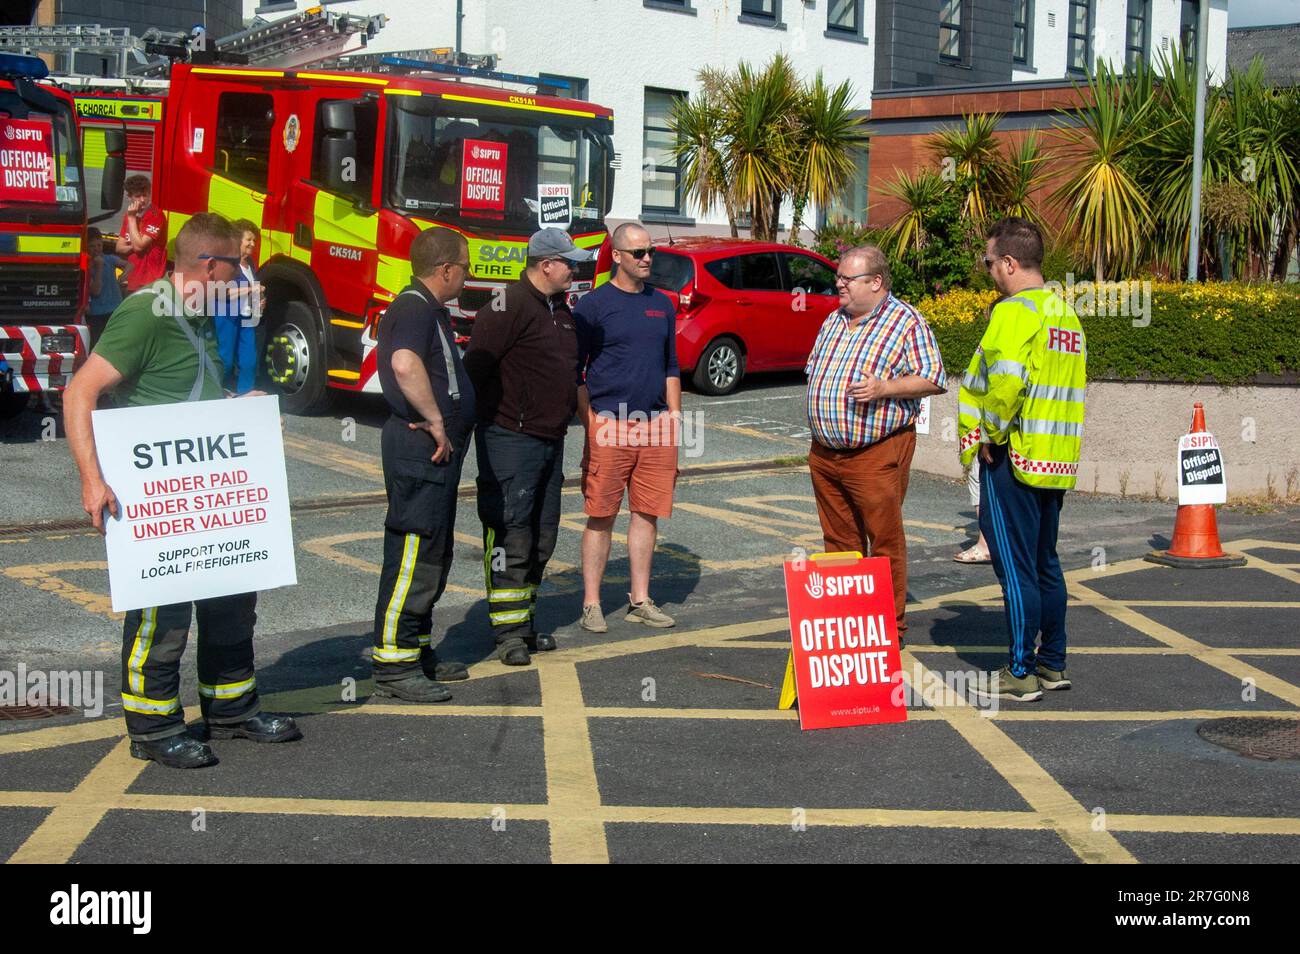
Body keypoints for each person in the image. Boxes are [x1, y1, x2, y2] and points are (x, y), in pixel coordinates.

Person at [63, 213, 301, 769]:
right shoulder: (146, 313)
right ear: (209, 266)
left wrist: (241, 412)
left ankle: (232, 710)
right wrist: (92, 479)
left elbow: (198, 396)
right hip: (152, 496)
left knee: (233, 598)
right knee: (160, 613)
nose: (240, 284)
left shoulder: (199, 319)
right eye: (235, 271)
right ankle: (153, 728)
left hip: (208, 494)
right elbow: (81, 392)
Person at [960, 217, 1087, 702]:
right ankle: (1053, 664)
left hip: (1012, 456)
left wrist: (989, 433)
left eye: (989, 261)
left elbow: (1007, 381)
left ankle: (1019, 672)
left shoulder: (1013, 313)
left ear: (1010, 262)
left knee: (1015, 570)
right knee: (1045, 564)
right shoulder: (1065, 314)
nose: (988, 269)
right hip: (1054, 461)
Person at [464, 229, 594, 666]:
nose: (574, 269)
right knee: (510, 532)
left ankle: (526, 622)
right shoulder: (507, 307)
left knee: (542, 535)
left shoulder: (561, 310)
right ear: (545, 265)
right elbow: (475, 370)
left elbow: (572, 374)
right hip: (509, 440)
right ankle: (508, 635)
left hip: (549, 439)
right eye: (568, 263)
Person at [804, 245, 946, 645]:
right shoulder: (835, 320)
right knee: (839, 542)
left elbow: (933, 377)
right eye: (839, 277)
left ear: (876, 282)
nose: (839, 284)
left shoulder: (905, 321)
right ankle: (850, 624)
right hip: (825, 452)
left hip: (876, 451)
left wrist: (886, 388)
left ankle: (887, 627)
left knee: (883, 541)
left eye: (847, 279)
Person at [370, 228, 477, 702]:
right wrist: (435, 420)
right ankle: (394, 664)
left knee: (433, 550)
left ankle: (414, 648)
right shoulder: (414, 307)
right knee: (414, 551)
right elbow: (404, 365)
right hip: (419, 449)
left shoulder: (427, 309)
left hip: (433, 452)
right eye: (465, 265)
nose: (467, 274)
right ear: (446, 269)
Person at [574, 222, 680, 632]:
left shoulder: (663, 304)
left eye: (650, 251)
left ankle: (640, 599)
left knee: (647, 513)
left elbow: (671, 365)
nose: (647, 258)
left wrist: (673, 417)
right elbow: (575, 372)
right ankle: (591, 603)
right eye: (638, 253)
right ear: (616, 256)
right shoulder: (594, 305)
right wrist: (591, 421)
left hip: (655, 425)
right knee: (601, 515)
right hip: (610, 423)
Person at [955, 299, 1000, 565]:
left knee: (979, 480)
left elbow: (996, 390)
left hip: (992, 431)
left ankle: (985, 544)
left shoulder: (997, 342)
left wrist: (987, 435)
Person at [213, 218, 262, 395]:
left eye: (254, 240)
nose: (252, 244)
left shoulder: (251, 265)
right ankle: (214, 393)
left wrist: (258, 301)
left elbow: (252, 292)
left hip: (247, 318)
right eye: (248, 239)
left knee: (249, 360)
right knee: (224, 360)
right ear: (237, 240)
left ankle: (245, 395)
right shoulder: (228, 264)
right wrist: (250, 289)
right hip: (227, 315)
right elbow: (221, 293)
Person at [114, 175, 168, 292]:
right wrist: (136, 244)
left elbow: (139, 248)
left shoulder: (156, 215)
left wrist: (132, 219)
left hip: (151, 282)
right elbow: (119, 248)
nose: (143, 200)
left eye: (146, 195)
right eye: (138, 196)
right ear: (129, 196)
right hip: (132, 280)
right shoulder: (128, 216)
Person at [85, 227, 124, 347]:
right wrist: (99, 267)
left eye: (99, 245)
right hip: (96, 313)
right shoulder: (86, 266)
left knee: (116, 342)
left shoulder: (109, 259)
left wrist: (122, 277)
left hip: (114, 309)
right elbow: (96, 291)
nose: (96, 249)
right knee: (97, 344)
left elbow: (129, 265)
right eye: (92, 246)